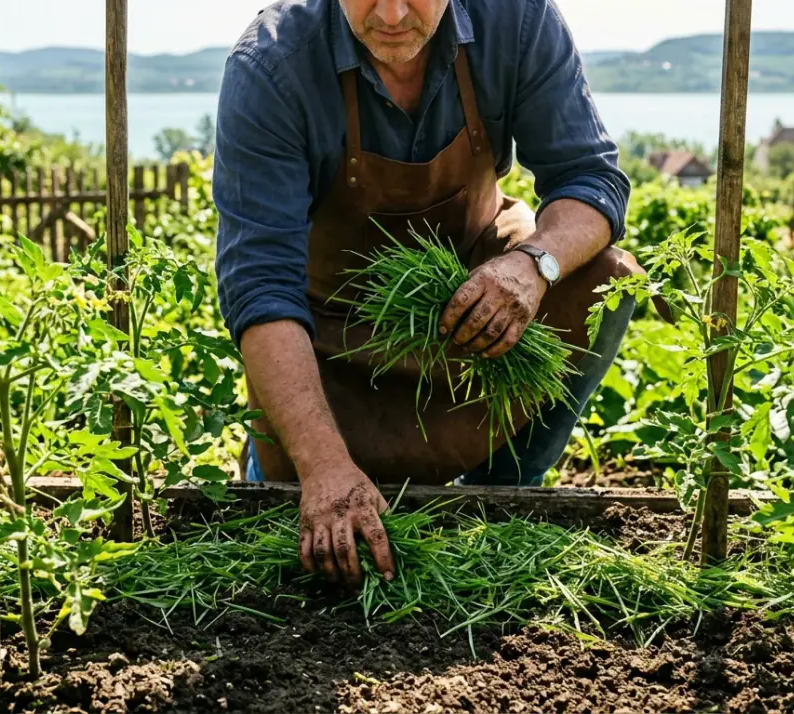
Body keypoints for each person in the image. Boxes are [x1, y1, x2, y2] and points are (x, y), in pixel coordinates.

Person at [214, 0, 644, 588]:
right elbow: (261, 283)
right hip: (330, 327)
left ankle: (507, 495)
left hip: (481, 289)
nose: (392, 14)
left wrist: (530, 265)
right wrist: (323, 467)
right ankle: (280, 473)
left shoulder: (516, 21)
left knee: (607, 282)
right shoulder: (272, 65)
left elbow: (589, 176)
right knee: (294, 499)